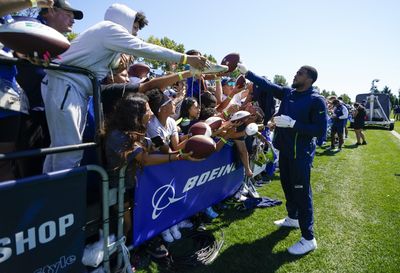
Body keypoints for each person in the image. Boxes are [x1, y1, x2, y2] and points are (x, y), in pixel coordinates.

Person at [41, 3, 209, 172]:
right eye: (134, 27)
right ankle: (63, 197)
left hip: (69, 88)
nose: (135, 33)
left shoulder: (104, 35)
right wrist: (186, 59)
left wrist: (115, 64)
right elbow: (145, 48)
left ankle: (50, 194)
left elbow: (103, 63)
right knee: (69, 152)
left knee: (60, 150)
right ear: (123, 20)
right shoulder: (110, 29)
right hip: (67, 86)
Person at [238, 63, 327, 255]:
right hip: (284, 151)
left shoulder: (316, 100)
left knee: (302, 194)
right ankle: (293, 218)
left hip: (300, 155)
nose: (295, 75)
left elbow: (320, 130)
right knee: (287, 186)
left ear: (309, 79)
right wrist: (248, 73)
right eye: (296, 72)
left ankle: (309, 238)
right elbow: (268, 85)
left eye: (300, 74)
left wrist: (293, 124)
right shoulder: (289, 93)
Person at [15, 0, 83, 177]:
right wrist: (21, 48)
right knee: (30, 170)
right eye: (68, 15)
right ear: (50, 11)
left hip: (50, 112)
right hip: (29, 112)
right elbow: (14, 46)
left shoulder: (62, 44)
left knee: (49, 165)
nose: (72, 20)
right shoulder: (26, 25)